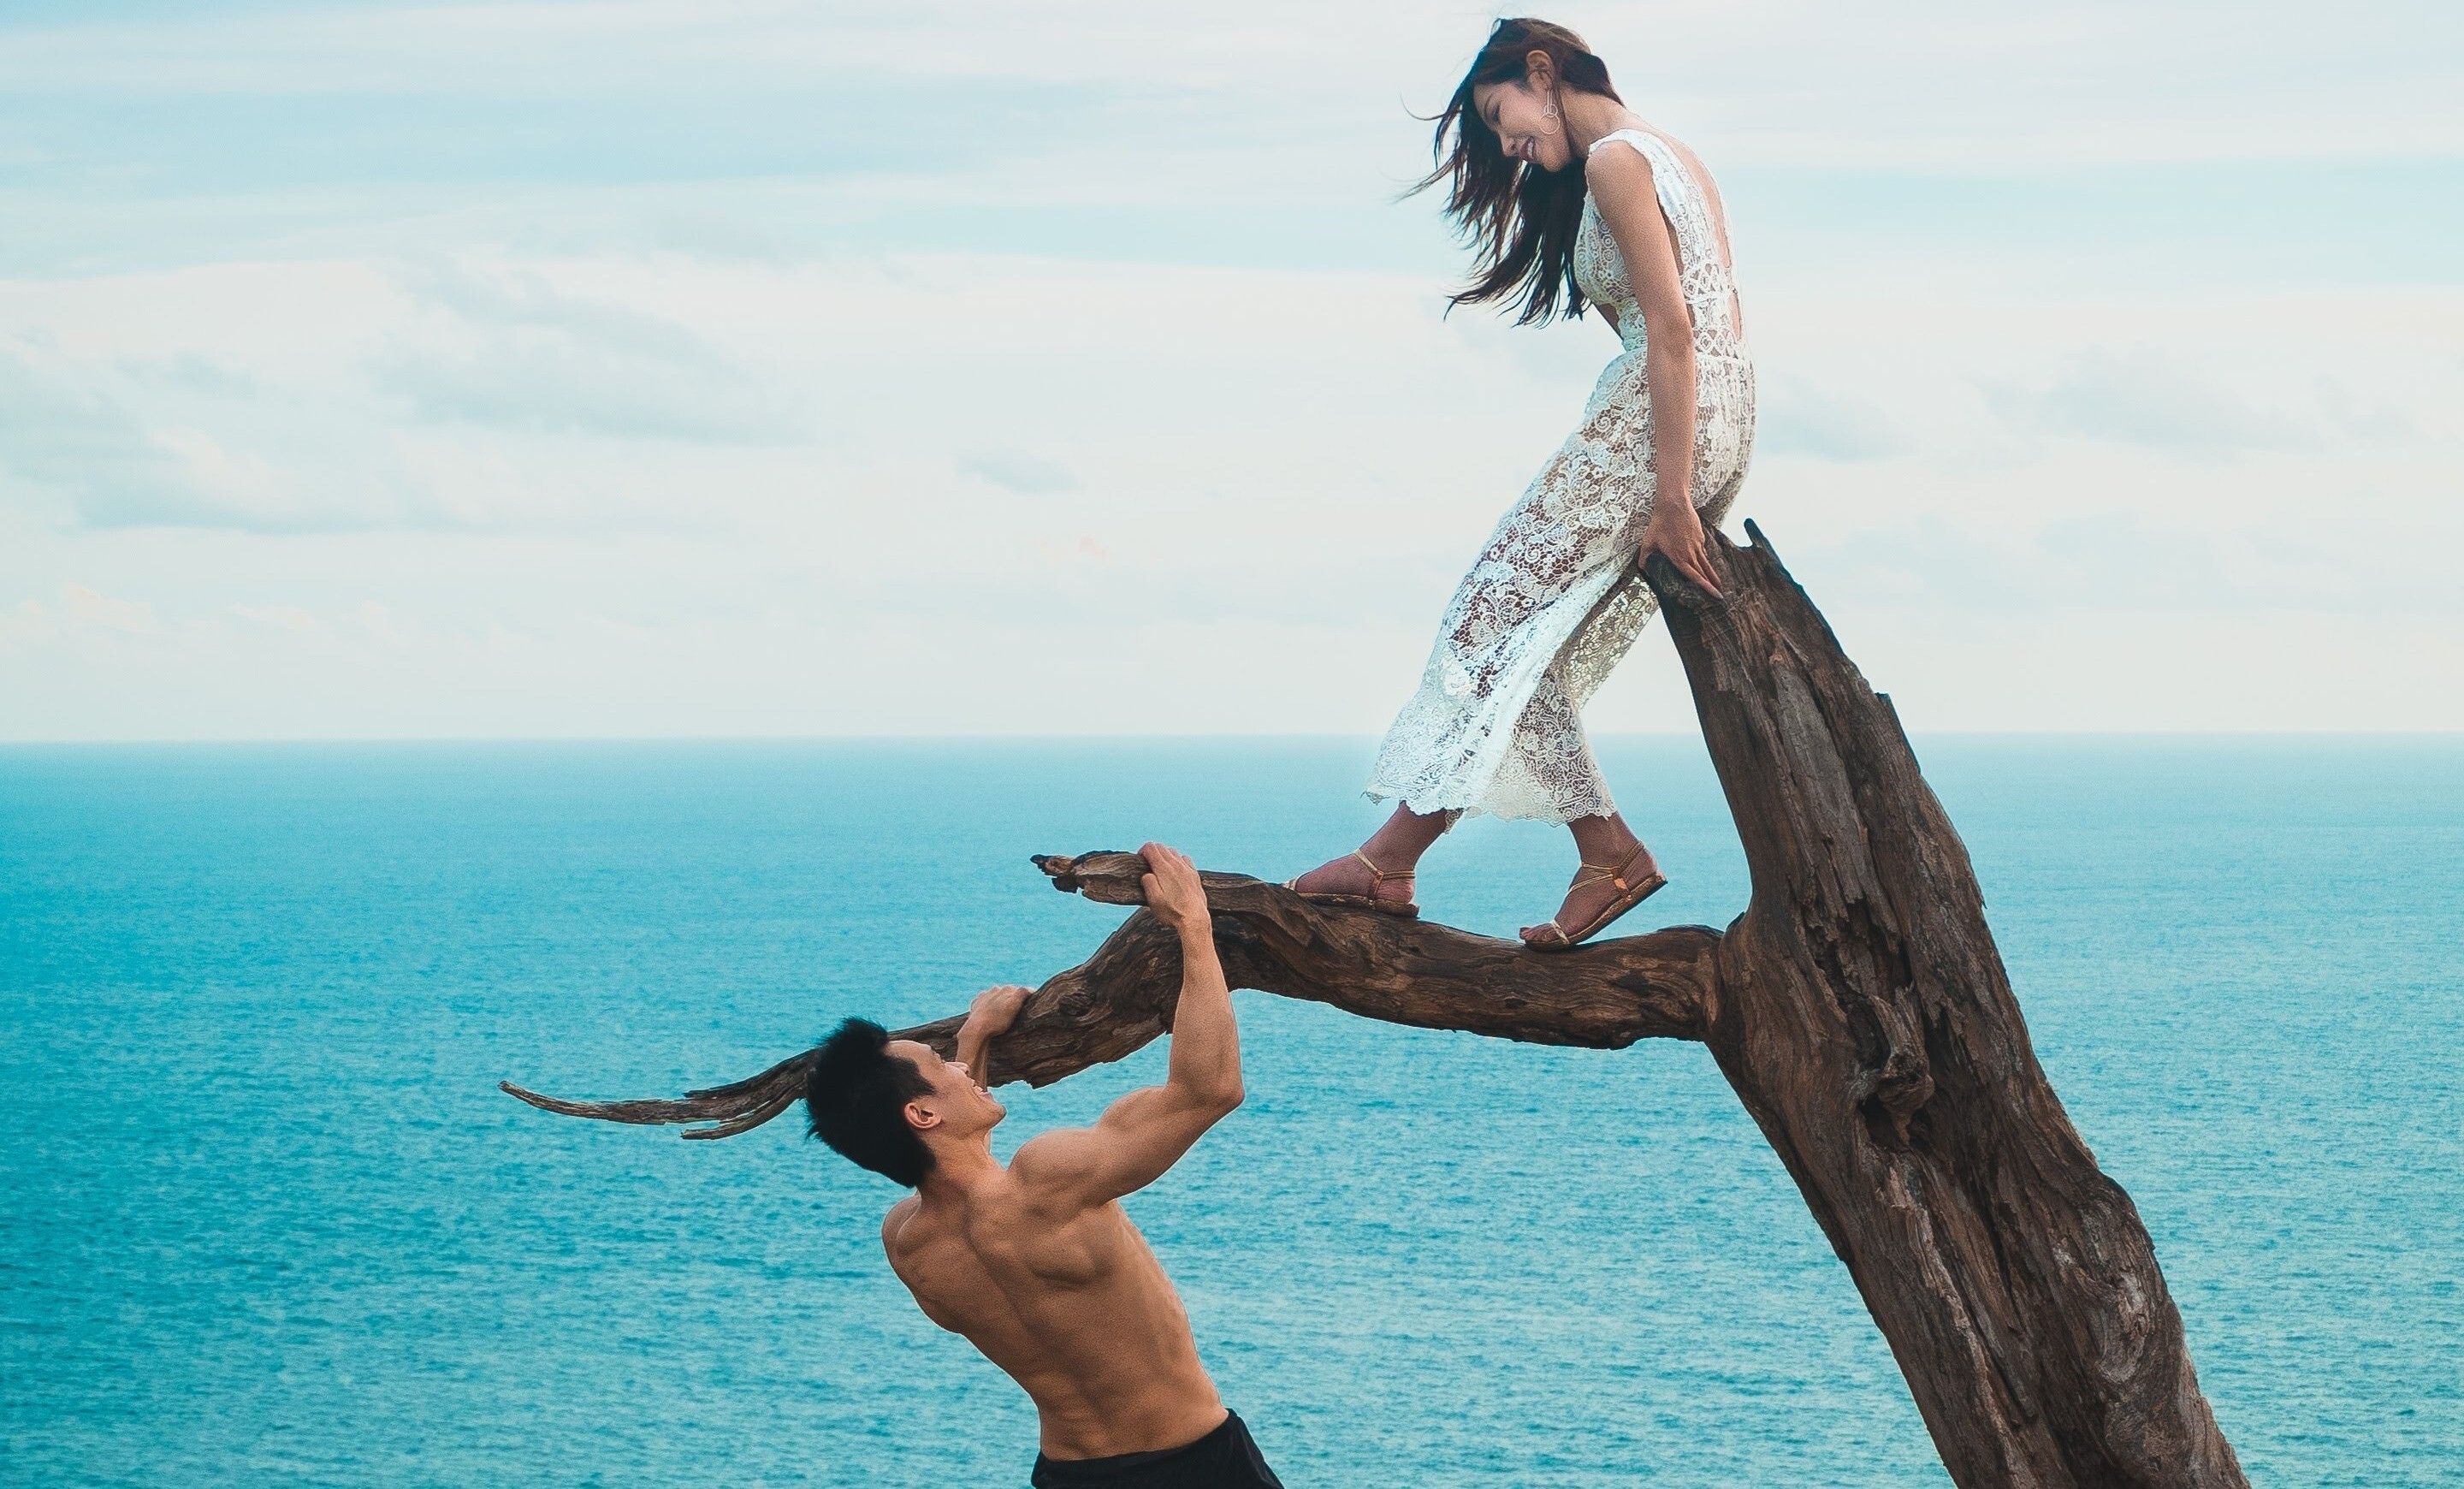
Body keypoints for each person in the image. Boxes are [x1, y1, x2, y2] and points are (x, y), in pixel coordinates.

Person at [1288, 17, 1757, 949]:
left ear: (1543, 72)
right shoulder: (1674, 156)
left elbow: (1672, 330)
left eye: (1503, 118)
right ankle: (1413, 859)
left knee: (1481, 622)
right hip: (1718, 420)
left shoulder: (1617, 164)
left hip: (1656, 427)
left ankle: (1584, 854)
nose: (1508, 146)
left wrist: (1670, 494)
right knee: (1516, 642)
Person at [803, 843, 1283, 1488]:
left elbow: (962, 1181)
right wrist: (1192, 922)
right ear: (921, 1114)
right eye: (939, 1064)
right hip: (1189, 1463)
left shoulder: (911, 1245)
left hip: (1067, 1476)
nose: (955, 1068)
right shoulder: (1049, 1183)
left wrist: (975, 1039)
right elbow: (1209, 1090)